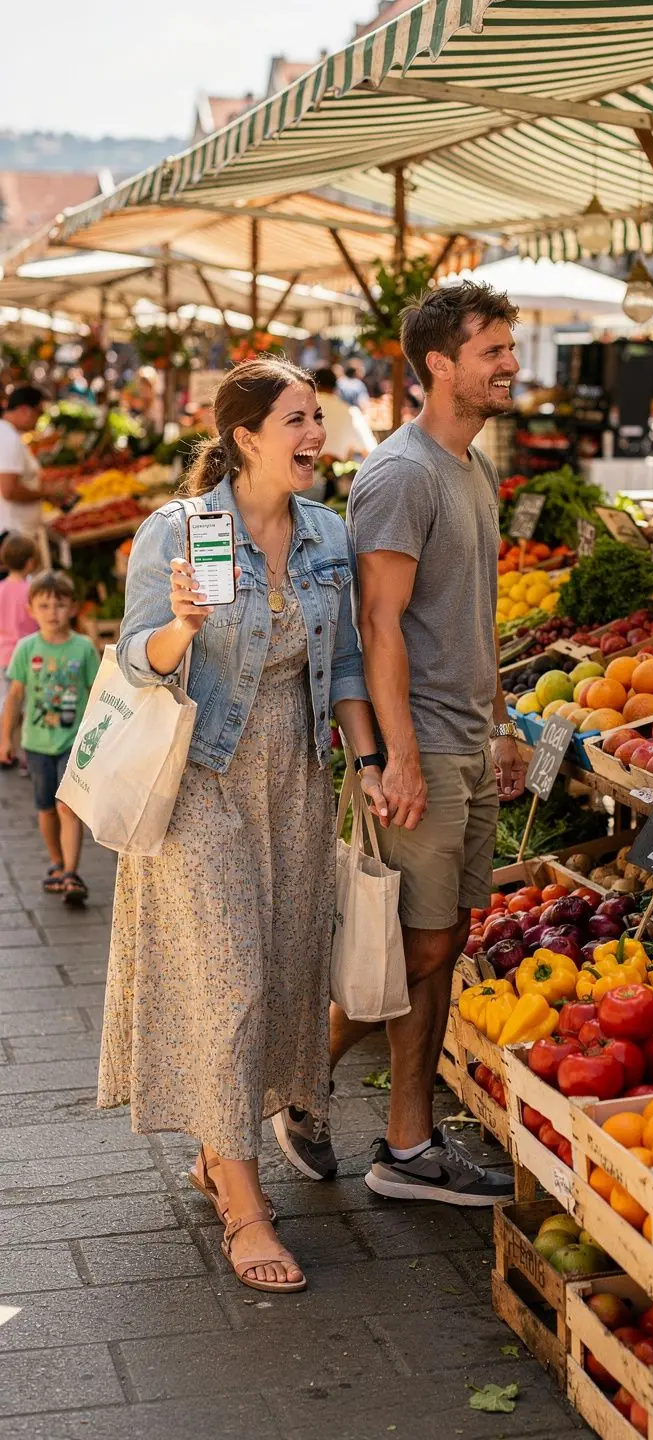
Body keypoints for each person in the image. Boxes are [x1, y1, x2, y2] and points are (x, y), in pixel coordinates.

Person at [98, 358, 388, 1295]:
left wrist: (368, 761)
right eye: (300, 420)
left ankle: (218, 1147)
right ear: (247, 437)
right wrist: (181, 625)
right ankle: (245, 1205)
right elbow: (137, 660)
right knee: (232, 978)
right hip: (202, 780)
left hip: (294, 778)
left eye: (321, 419)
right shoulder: (179, 532)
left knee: (283, 968)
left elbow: (342, 662)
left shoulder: (328, 535)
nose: (319, 437)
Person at [274, 281, 528, 1205]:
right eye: (492, 349)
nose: (509, 363)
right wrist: (395, 756)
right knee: (411, 953)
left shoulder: (474, 470)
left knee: (444, 943)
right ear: (438, 365)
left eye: (509, 346)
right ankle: (296, 1082)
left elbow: (474, 617)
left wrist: (496, 727)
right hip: (421, 748)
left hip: (467, 743)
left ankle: (407, 1146)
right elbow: (375, 625)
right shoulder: (401, 472)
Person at [0, 570, 98, 903]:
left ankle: (72, 872)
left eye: (59, 604)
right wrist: (5, 740)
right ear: (31, 610)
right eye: (44, 605)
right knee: (45, 809)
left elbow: (97, 693)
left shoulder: (83, 648)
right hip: (37, 743)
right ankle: (56, 862)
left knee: (66, 806)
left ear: (72, 608)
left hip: (75, 741)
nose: (52, 611)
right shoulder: (27, 649)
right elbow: (14, 696)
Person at [0, 533, 38, 770]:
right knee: (29, 705)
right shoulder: (33, 589)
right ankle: (27, 757)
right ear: (30, 562)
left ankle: (5, 747)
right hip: (29, 655)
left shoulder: (1, 589)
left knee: (7, 702)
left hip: (4, 655)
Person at [0, 386, 47, 546]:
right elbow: (9, 490)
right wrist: (44, 493)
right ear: (25, 410)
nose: (39, 419)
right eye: (39, 413)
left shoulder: (6, 433)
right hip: (14, 535)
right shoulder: (8, 438)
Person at [313, 368, 376, 461]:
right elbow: (371, 451)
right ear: (335, 387)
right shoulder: (350, 412)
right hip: (338, 471)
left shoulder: (303, 411)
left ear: (314, 386)